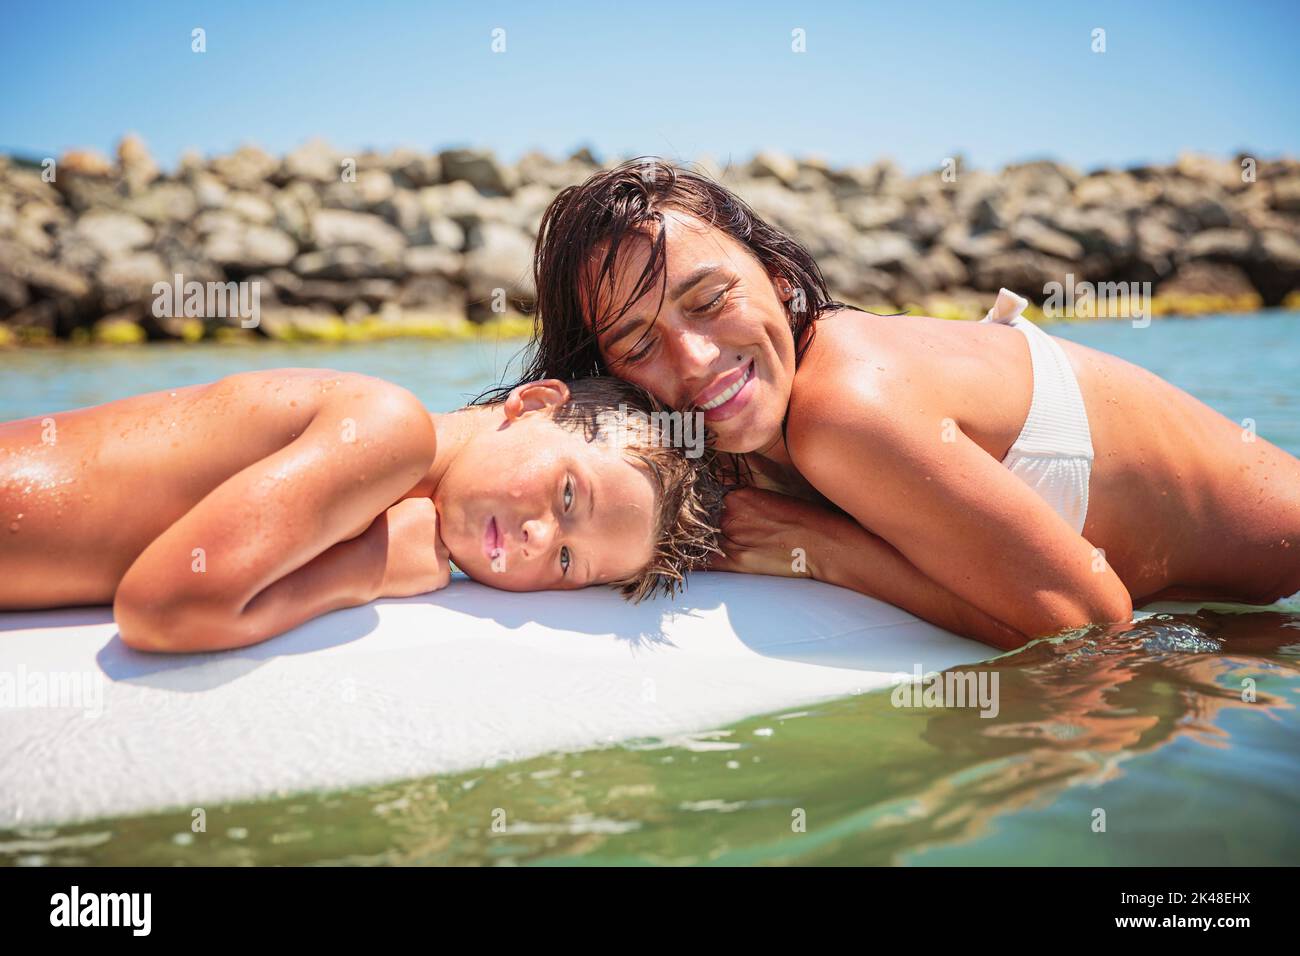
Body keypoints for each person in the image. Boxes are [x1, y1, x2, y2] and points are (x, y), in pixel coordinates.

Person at [507, 158, 1300, 649]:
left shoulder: (846, 408)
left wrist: (825, 551)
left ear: (781, 283)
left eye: (710, 299)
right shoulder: (723, 429)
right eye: (639, 344)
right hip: (1244, 613)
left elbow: (1092, 622)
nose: (696, 359)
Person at [0, 369, 720, 653]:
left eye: (568, 562)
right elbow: (162, 609)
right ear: (532, 403)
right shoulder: (386, 431)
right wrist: (370, 568)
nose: (537, 538)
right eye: (568, 495)